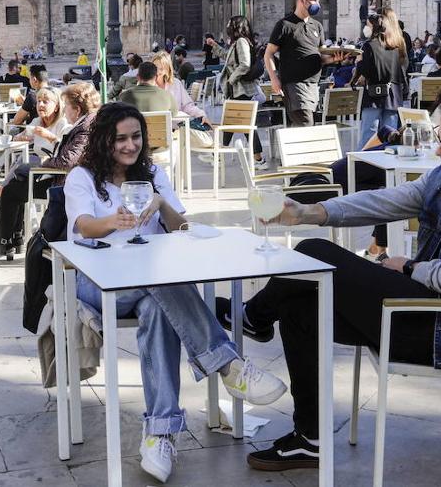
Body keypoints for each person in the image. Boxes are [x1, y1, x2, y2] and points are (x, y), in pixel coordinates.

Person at [220, 88, 441, 472]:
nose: (440, 152)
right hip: (427, 306)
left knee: (314, 252)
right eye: (439, 141)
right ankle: (309, 439)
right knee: (302, 302)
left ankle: (252, 317)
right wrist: (312, 211)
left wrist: (411, 268)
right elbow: (389, 200)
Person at [66, 103, 286, 482]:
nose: (130, 145)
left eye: (136, 136)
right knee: (160, 278)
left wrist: (162, 203)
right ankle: (227, 363)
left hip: (152, 283)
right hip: (98, 282)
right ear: (104, 140)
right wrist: (112, 222)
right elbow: (83, 226)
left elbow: (182, 229)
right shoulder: (82, 177)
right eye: (120, 138)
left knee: (156, 306)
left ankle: (160, 431)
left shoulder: (151, 174)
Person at [0, 82, 101, 258]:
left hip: (61, 183)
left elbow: (67, 160)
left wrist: (43, 162)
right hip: (58, 178)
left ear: (76, 109)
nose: (41, 105)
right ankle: (14, 239)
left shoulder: (80, 127)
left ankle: (5, 242)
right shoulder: (82, 124)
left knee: (11, 189)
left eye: (66, 105)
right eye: (39, 101)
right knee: (16, 182)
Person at [265, 0, 339, 127]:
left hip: (312, 84)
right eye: (314, 0)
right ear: (302, 1)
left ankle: (286, 146)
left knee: (301, 125)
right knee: (305, 123)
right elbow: (268, 54)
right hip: (294, 84)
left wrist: (333, 59)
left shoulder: (317, 26)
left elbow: (321, 56)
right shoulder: (284, 25)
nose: (318, 5)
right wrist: (274, 78)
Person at [353, 9, 407, 148]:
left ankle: (361, 163)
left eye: (368, 25)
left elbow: (366, 70)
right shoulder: (394, 46)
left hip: (374, 93)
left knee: (369, 133)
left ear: (373, 27)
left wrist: (359, 62)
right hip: (393, 94)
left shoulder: (368, 45)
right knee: (390, 134)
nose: (365, 28)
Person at [221, 15, 265, 166]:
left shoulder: (241, 41)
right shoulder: (239, 42)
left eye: (230, 23)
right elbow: (229, 59)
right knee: (233, 122)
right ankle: (220, 153)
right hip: (238, 90)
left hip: (241, 89)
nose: (227, 26)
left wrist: (231, 79)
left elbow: (245, 64)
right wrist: (214, 45)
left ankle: (258, 159)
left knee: (244, 124)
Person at [13, 86, 68, 160]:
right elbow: (16, 138)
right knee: (19, 161)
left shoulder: (63, 124)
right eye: (38, 101)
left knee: (21, 165)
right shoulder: (37, 121)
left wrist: (49, 136)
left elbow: (67, 150)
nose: (40, 104)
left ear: (56, 107)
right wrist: (21, 138)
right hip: (40, 164)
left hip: (57, 165)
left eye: (45, 102)